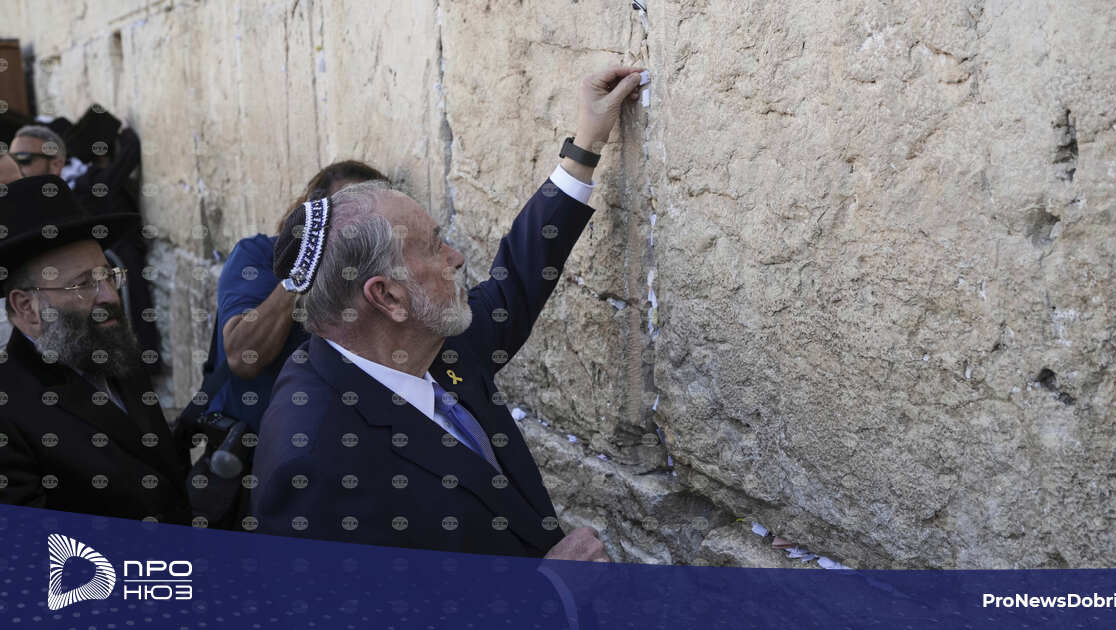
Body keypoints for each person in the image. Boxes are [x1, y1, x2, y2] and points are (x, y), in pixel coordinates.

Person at [250, 65, 648, 560]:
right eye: (434, 246)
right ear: (388, 298)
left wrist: (586, 143)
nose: (456, 257)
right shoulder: (313, 462)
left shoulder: (427, 344)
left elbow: (517, 278)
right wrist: (552, 592)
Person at [0, 175, 191, 522]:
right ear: (27, 307)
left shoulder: (110, 349)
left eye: (107, 276)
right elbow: (33, 545)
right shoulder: (9, 410)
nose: (108, 296)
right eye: (83, 284)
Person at [207, 161, 387, 431]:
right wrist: (305, 265)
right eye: (347, 214)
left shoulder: (377, 277)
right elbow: (243, 358)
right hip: (256, 441)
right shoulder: (258, 256)